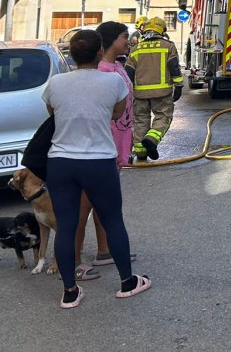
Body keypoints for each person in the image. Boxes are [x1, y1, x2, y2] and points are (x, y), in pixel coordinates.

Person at [43, 29, 151, 308]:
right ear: (100, 52)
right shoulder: (114, 82)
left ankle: (70, 291)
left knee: (66, 226)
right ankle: (127, 282)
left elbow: (53, 113)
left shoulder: (55, 83)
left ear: (72, 55)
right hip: (99, 160)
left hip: (61, 162)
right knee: (113, 219)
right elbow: (117, 114)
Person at [74, 22, 137, 280]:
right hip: (101, 147)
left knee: (104, 203)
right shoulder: (101, 71)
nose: (129, 42)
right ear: (111, 41)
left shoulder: (118, 67)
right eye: (125, 37)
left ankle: (104, 250)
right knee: (84, 205)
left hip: (116, 143)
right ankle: (73, 259)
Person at [127, 17, 182, 161]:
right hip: (162, 93)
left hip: (139, 94)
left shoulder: (135, 48)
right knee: (163, 117)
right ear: (162, 30)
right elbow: (174, 67)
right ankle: (151, 140)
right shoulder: (168, 46)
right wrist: (179, 85)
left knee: (140, 120)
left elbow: (128, 74)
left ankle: (140, 152)